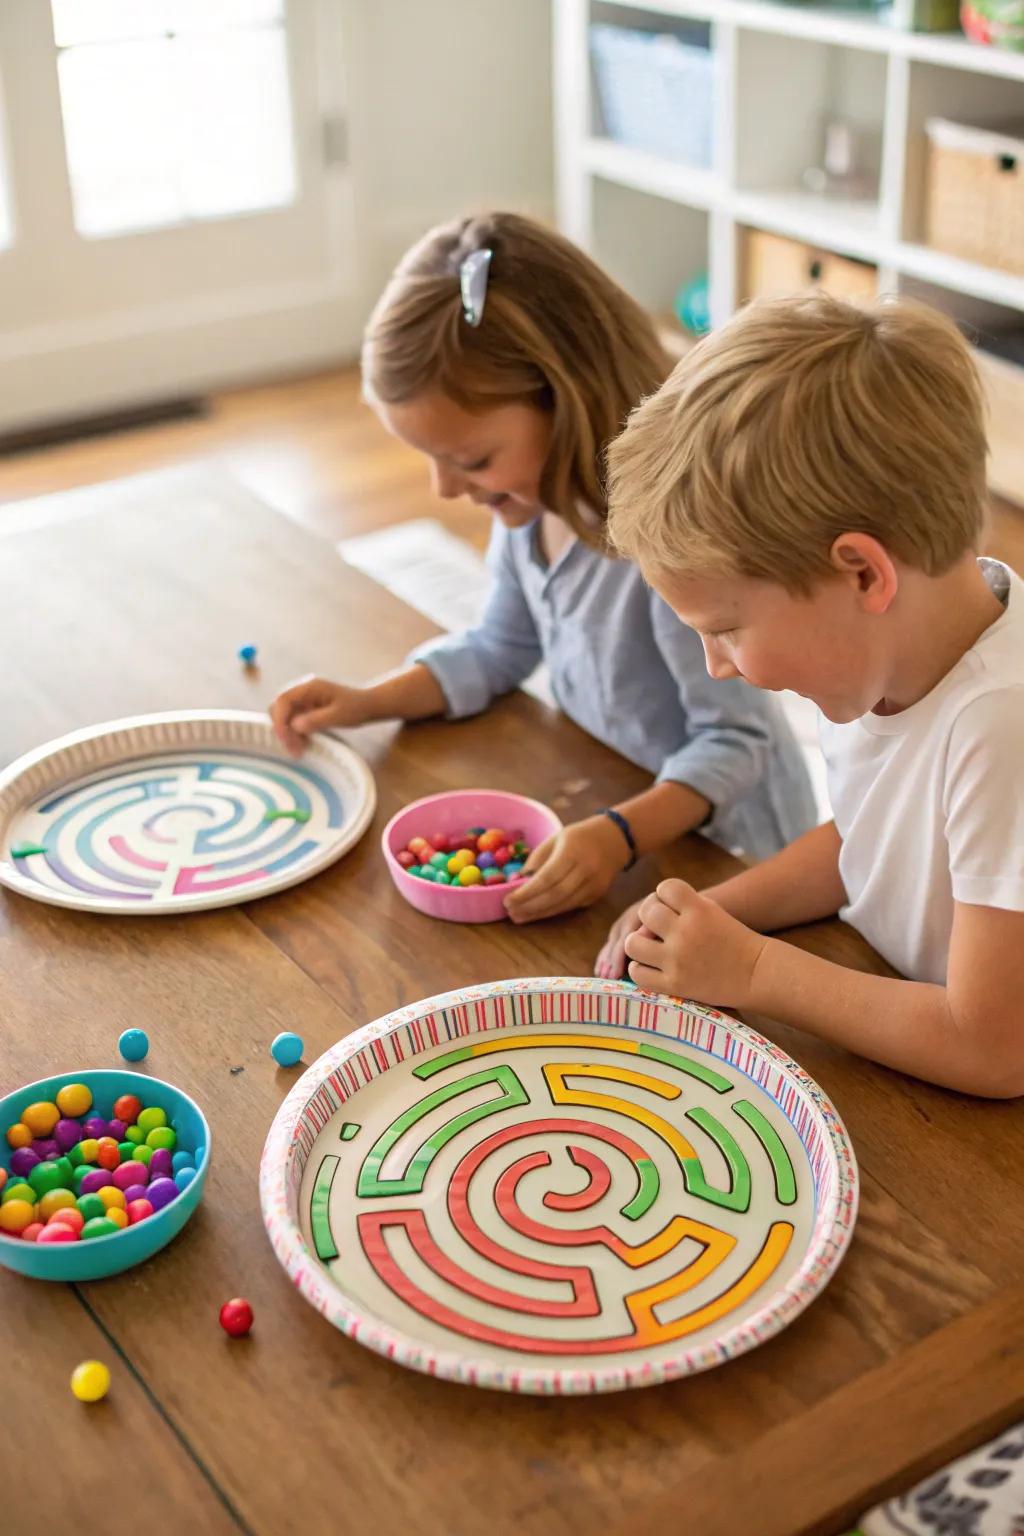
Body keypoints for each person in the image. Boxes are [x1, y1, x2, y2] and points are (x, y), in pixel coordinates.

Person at [270, 213, 816, 922]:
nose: (445, 489)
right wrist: (369, 701)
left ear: (567, 399)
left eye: (472, 461)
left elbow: (739, 742)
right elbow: (498, 648)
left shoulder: (673, 553)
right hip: (622, 809)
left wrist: (621, 835)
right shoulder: (533, 511)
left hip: (737, 858)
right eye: (430, 460)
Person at [598, 292, 1024, 1097]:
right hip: (899, 1021)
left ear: (862, 573)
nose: (715, 665)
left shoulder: (1002, 725)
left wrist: (753, 967)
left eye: (725, 627)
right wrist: (716, 916)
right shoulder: (889, 658)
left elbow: (995, 1050)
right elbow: (870, 839)